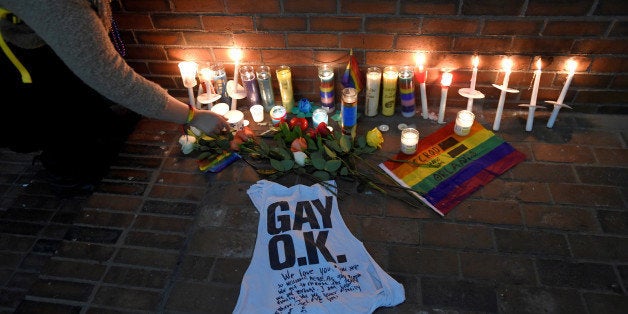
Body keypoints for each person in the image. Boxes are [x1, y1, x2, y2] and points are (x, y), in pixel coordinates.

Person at [0, 0, 228, 196]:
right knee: (57, 114)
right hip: (29, 62)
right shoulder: (58, 6)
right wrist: (192, 115)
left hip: (51, 41)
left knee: (84, 100)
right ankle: (67, 174)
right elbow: (110, 76)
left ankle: (95, 135)